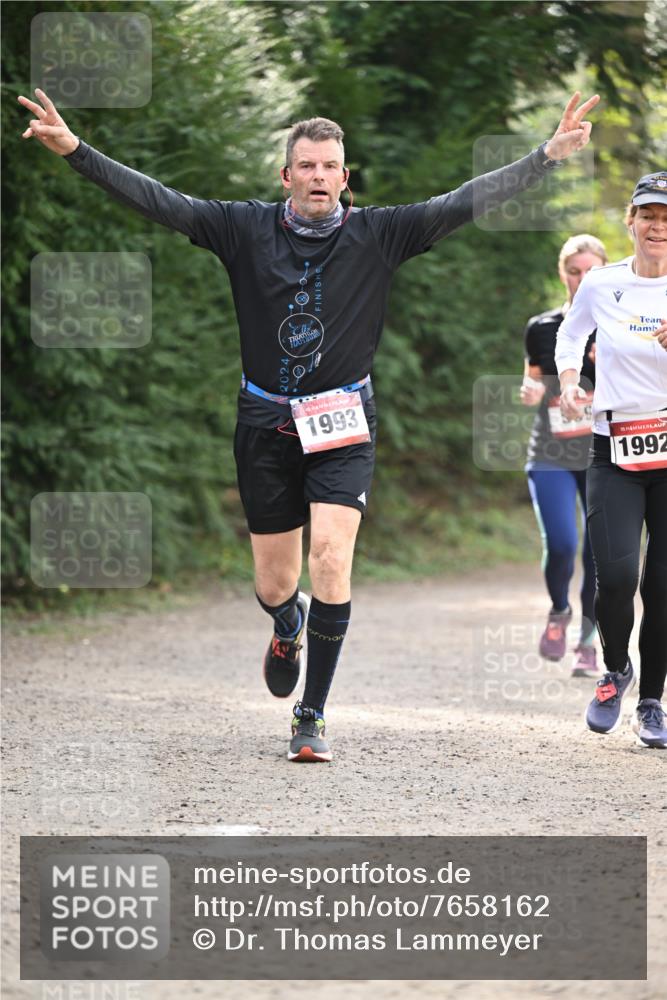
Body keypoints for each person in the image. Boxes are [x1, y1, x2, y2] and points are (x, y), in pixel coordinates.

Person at [19, 86, 599, 762]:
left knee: (329, 557)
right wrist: (76, 151)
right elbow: (161, 201)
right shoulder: (242, 228)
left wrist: (546, 157)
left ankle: (311, 715)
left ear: (344, 178)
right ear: (286, 176)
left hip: (344, 421)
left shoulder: (379, 234)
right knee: (273, 583)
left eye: (331, 167)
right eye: (307, 166)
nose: (319, 177)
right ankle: (285, 623)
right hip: (264, 422)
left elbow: (462, 201)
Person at [555, 172, 667, 748]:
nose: (658, 227)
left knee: (663, 584)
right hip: (615, 447)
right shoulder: (601, 284)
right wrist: (572, 382)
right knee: (618, 575)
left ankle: (652, 701)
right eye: (650, 215)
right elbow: (569, 337)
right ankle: (615, 670)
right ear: (631, 220)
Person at [520, 234, 607, 677]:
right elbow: (531, 381)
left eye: (591, 271)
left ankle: (588, 643)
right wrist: (532, 389)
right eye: (574, 271)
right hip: (551, 452)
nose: (581, 279)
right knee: (563, 544)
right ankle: (558, 610)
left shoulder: (618, 323)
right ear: (563, 274)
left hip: (601, 453)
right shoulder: (541, 327)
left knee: (597, 554)